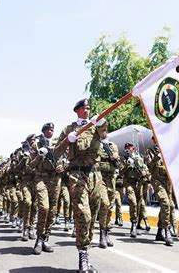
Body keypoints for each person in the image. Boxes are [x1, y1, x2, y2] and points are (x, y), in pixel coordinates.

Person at [55, 98, 104, 273]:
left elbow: (104, 136)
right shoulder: (68, 129)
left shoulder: (95, 126)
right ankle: (83, 255)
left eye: (89, 108)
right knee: (83, 214)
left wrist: (102, 123)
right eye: (84, 108)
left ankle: (87, 248)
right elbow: (56, 152)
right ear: (77, 111)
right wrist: (68, 140)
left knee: (94, 211)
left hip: (95, 173)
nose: (87, 111)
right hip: (76, 173)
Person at [30, 122, 62, 255]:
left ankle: (45, 238)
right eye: (48, 129)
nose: (51, 131)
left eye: (52, 129)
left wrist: (62, 167)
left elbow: (63, 160)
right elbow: (31, 164)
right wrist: (39, 155)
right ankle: (38, 238)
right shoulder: (35, 145)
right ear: (43, 131)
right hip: (41, 178)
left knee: (52, 210)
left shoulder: (57, 144)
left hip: (55, 179)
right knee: (44, 207)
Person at [146, 139, 175, 246]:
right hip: (157, 180)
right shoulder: (150, 151)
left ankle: (159, 232)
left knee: (168, 206)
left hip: (168, 181)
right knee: (165, 203)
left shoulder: (169, 151)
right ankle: (167, 230)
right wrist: (157, 156)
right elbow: (149, 166)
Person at [97, 121, 120, 248]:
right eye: (102, 130)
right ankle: (101, 234)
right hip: (100, 178)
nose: (104, 132)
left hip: (111, 178)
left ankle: (106, 232)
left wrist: (116, 158)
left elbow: (118, 165)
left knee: (110, 205)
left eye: (106, 130)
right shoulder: (96, 145)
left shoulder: (113, 146)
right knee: (104, 204)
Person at [121, 142, 150, 238]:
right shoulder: (123, 159)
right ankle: (133, 224)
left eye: (130, 147)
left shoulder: (139, 159)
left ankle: (137, 223)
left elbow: (146, 171)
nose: (128, 149)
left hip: (139, 184)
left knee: (139, 204)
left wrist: (144, 172)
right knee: (132, 202)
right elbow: (120, 172)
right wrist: (127, 165)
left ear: (134, 148)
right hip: (129, 183)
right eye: (126, 148)